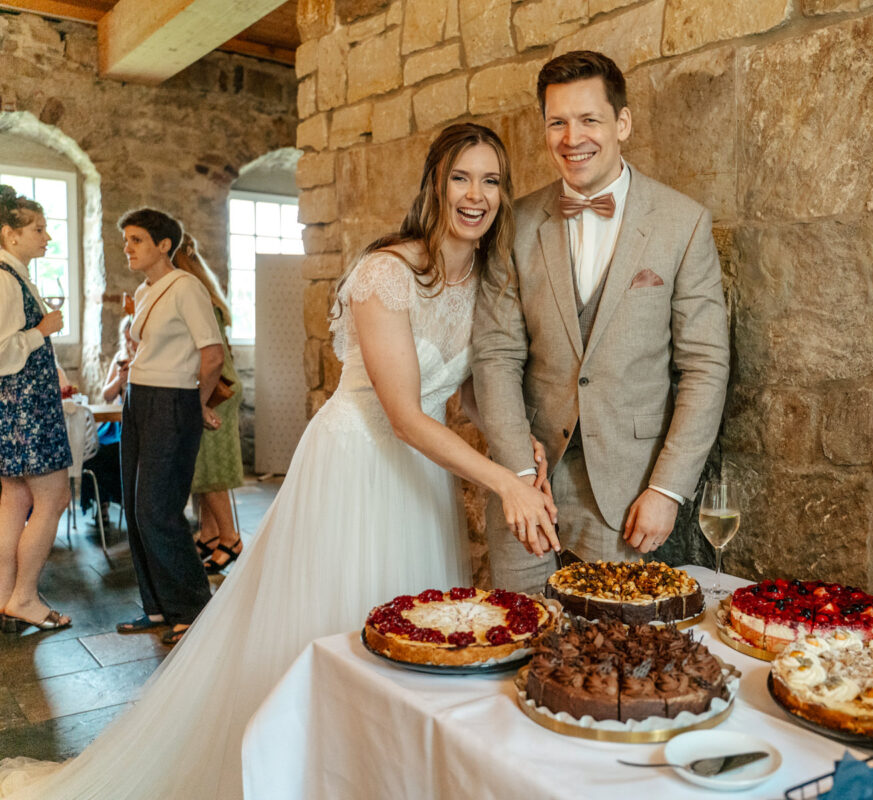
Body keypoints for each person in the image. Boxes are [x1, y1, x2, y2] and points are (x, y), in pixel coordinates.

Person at [0, 123, 554, 800]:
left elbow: (461, 387)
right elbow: (406, 414)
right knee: (342, 623)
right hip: (359, 464)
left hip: (423, 476)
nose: (476, 195)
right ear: (434, 186)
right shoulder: (388, 272)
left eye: (491, 180)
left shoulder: (485, 278)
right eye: (460, 178)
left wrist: (513, 442)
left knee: (418, 633)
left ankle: (389, 777)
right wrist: (504, 484)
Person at [473, 50, 730, 594]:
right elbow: (495, 355)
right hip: (530, 491)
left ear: (622, 123)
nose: (572, 138)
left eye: (589, 119)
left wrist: (667, 489)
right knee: (521, 651)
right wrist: (518, 474)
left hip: (631, 499)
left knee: (617, 663)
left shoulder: (683, 224)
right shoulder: (512, 223)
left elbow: (705, 366)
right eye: (557, 122)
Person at [115, 208, 225, 646]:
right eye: (126, 240)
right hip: (138, 398)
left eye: (137, 239)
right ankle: (158, 605)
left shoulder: (186, 287)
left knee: (157, 509)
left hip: (171, 400)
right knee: (135, 505)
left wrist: (194, 402)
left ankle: (194, 608)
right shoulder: (145, 290)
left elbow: (212, 353)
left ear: (164, 245)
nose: (128, 248)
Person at [0, 185, 72, 633]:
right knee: (54, 498)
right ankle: (25, 597)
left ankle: (7, 595)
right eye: (38, 229)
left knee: (14, 500)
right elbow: (3, 352)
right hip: (27, 412)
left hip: (17, 411)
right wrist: (42, 330)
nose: (47, 238)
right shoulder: (6, 280)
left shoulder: (14, 275)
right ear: (9, 234)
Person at [171, 233, 245, 574]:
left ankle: (230, 538)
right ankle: (211, 533)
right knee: (201, 468)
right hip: (215, 386)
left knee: (210, 470)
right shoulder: (204, 292)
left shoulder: (193, 295)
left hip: (215, 390)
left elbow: (208, 356)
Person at [78, 316, 135, 525]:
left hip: (132, 425)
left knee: (117, 452)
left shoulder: (147, 362)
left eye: (132, 339)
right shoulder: (120, 359)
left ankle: (126, 503)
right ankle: (100, 505)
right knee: (92, 450)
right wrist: (120, 379)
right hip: (115, 425)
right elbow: (107, 395)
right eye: (126, 339)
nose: (129, 344)